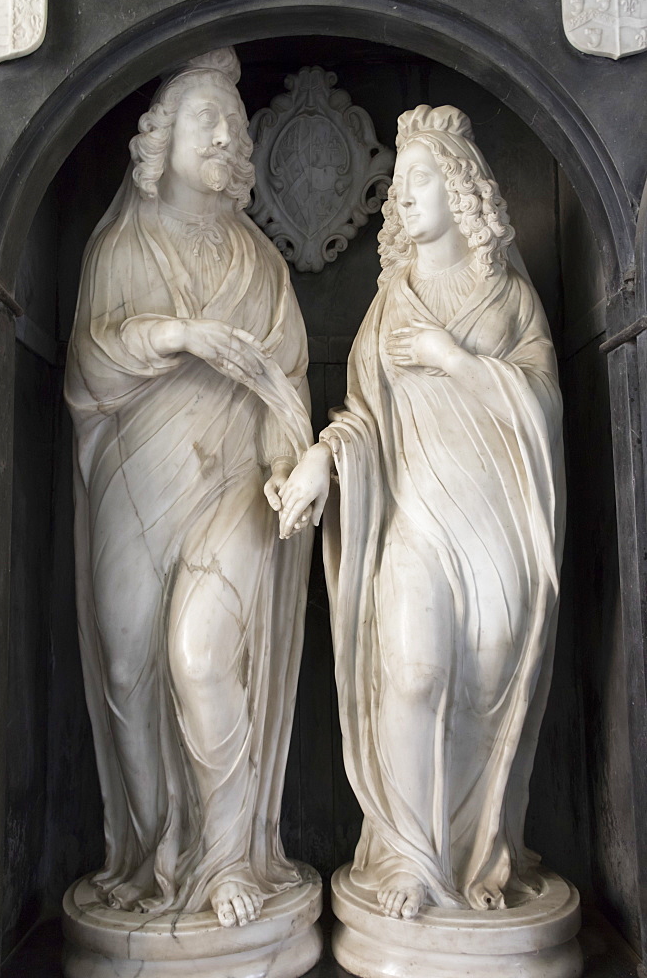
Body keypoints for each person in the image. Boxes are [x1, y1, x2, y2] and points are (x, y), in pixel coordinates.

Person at [279, 104, 565, 920]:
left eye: (421, 179)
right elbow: (362, 418)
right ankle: (408, 856)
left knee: (481, 678)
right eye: (399, 184)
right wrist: (319, 462)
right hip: (414, 519)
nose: (404, 197)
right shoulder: (388, 304)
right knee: (412, 675)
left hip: (495, 525)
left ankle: (471, 851)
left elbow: (542, 409)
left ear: (464, 190)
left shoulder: (508, 300)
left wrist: (454, 360)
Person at [64, 47, 314, 928]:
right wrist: (176, 336)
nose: (226, 133)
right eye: (206, 118)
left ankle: (225, 861)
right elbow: (88, 367)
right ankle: (151, 855)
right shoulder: (120, 246)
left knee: (202, 658)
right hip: (136, 482)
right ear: (158, 140)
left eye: (235, 123)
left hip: (236, 488)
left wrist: (293, 470)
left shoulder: (262, 266)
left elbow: (287, 388)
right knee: (129, 665)